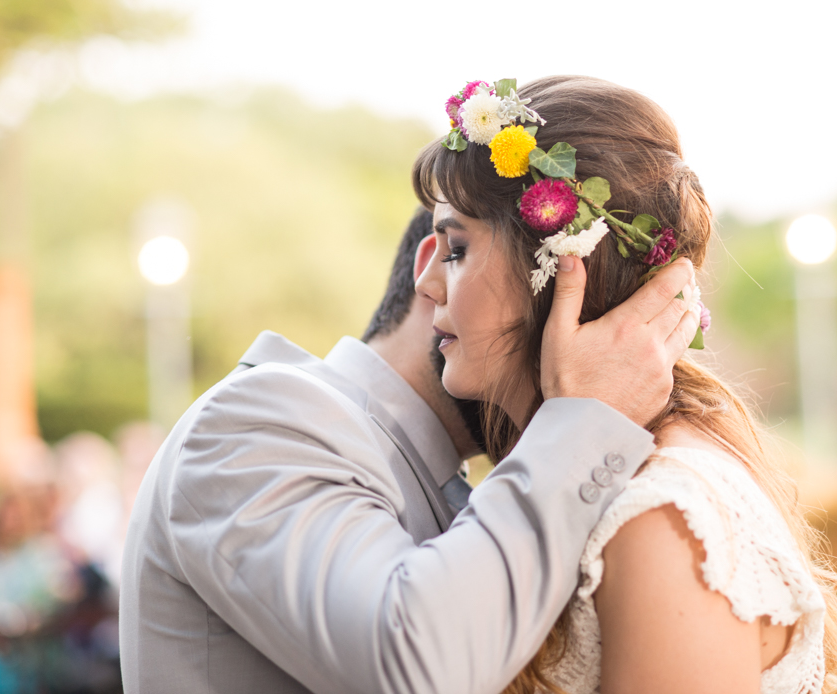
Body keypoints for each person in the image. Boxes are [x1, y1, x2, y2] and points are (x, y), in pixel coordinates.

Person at [119, 204, 700, 692]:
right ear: (441, 268)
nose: (573, 364)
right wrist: (584, 422)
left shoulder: (462, 490)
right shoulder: (260, 420)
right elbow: (415, 660)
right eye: (570, 324)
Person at [413, 75, 837, 694]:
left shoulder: (662, 514)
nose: (427, 285)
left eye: (457, 249)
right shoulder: (595, 478)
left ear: (562, 266)